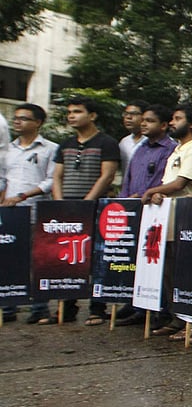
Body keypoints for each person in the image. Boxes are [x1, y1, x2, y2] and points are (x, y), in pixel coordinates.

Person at [142, 103, 192, 337]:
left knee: (186, 269)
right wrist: (158, 193)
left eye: (178, 118)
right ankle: (176, 316)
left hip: (185, 214)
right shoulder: (178, 149)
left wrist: (152, 191)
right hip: (167, 214)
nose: (172, 123)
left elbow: (181, 182)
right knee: (169, 267)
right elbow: (168, 183)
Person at [52, 97, 120, 325]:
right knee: (68, 258)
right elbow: (57, 176)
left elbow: (107, 175)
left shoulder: (106, 143)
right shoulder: (66, 144)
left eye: (78, 111)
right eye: (70, 112)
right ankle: (66, 308)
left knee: (97, 258)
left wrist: (87, 202)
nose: (72, 116)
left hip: (95, 207)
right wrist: (60, 202)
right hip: (66, 207)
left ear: (92, 116)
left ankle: (97, 308)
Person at [0, 103, 56, 324]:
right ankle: (8, 307)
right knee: (8, 259)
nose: (17, 122)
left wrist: (22, 196)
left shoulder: (50, 148)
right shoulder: (7, 150)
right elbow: (2, 179)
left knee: (37, 261)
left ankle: (39, 307)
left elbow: (51, 180)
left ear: (38, 122)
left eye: (23, 118)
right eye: (15, 118)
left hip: (36, 211)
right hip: (9, 213)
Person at [117, 101, 146, 179]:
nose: (128, 117)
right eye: (126, 114)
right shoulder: (124, 142)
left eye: (134, 114)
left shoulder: (155, 142)